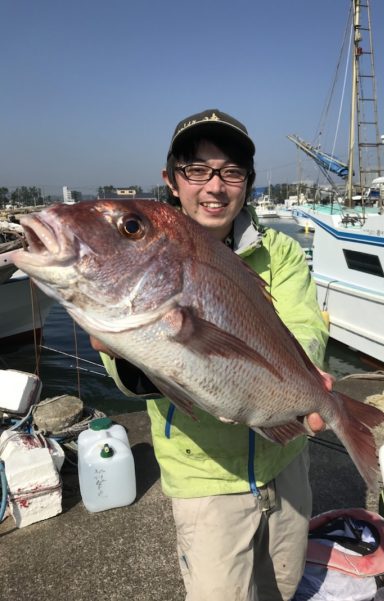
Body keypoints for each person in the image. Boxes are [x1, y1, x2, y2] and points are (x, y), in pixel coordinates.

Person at [92, 109, 330, 601]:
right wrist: (127, 352)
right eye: (197, 170)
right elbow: (128, 379)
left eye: (231, 171)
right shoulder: (148, 254)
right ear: (172, 180)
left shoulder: (280, 252)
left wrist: (303, 377)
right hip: (204, 476)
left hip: (286, 461)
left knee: (283, 588)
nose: (214, 186)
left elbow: (306, 325)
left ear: (247, 183)